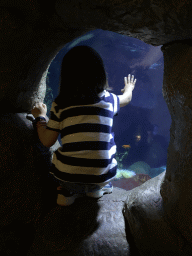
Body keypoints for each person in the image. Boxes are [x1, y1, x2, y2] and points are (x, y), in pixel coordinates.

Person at [31, 45, 137, 206]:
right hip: (99, 177)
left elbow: (47, 141)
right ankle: (95, 190)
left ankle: (67, 192)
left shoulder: (61, 104)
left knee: (65, 167)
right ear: (100, 73)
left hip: (67, 177)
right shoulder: (108, 100)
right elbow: (126, 99)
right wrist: (129, 88)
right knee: (105, 156)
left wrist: (40, 117)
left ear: (66, 76)